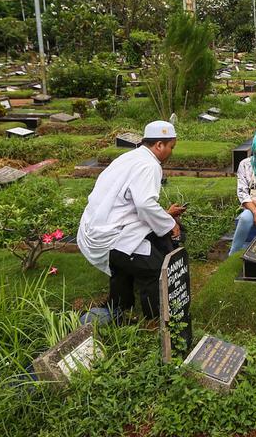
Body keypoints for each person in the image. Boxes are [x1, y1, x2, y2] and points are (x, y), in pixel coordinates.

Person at [78, 120, 186, 323]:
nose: (172, 152)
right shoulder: (150, 165)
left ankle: (120, 306)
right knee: (153, 268)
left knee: (131, 259)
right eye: (171, 146)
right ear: (159, 145)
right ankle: (156, 321)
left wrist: (165, 214)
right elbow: (144, 204)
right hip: (110, 235)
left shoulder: (130, 157)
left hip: (95, 227)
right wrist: (171, 224)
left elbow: (128, 203)